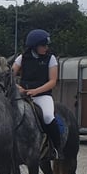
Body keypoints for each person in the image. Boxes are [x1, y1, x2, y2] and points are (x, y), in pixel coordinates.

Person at [12, 29, 61, 159]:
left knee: (48, 117)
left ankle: (56, 148)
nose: (46, 48)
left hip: (42, 96)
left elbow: (52, 81)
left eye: (46, 45)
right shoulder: (21, 58)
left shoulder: (51, 59)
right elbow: (9, 77)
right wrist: (19, 88)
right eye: (43, 45)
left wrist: (35, 91)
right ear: (35, 46)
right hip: (22, 96)